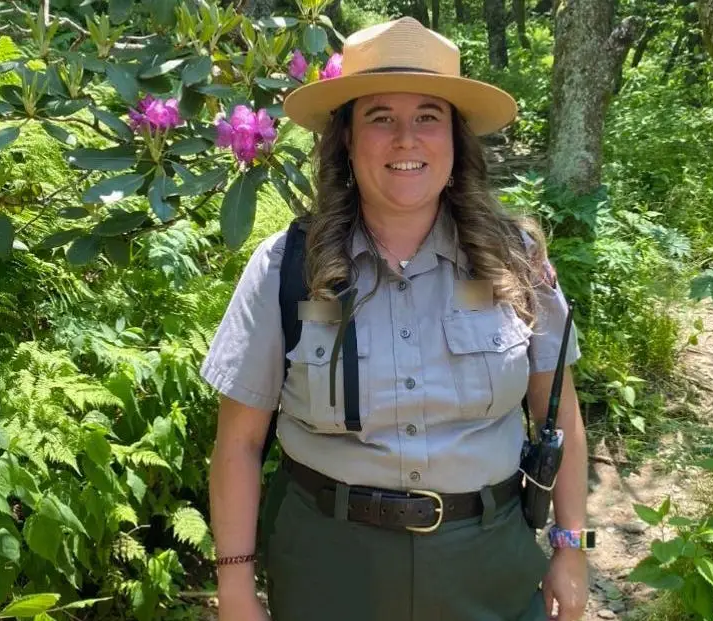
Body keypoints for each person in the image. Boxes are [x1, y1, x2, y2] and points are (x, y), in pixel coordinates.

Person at [201, 16, 592, 621]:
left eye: (428, 117)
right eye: (380, 117)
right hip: (327, 564)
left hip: (489, 562)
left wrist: (571, 547)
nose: (406, 139)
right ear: (348, 141)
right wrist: (234, 586)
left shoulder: (516, 260)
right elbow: (240, 442)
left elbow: (556, 411)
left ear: (456, 141)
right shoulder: (287, 265)